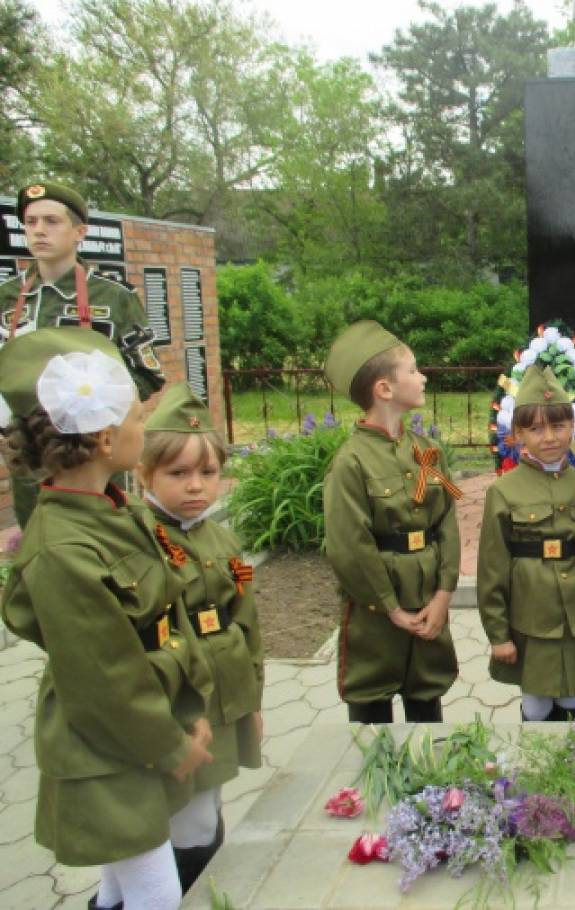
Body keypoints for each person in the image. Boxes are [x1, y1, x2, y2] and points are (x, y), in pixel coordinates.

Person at [0, 328, 213, 910]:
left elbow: (165, 620)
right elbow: (104, 677)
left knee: (121, 885)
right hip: (108, 746)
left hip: (135, 733)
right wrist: (170, 745)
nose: (144, 429)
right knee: (156, 892)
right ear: (101, 437)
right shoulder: (64, 548)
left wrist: (190, 707)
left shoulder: (111, 512)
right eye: (136, 420)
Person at [138, 383, 264, 892]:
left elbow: (246, 613)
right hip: (182, 703)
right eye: (178, 473)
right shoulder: (143, 540)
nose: (196, 486)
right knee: (189, 817)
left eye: (208, 473)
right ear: (144, 474)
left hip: (225, 691)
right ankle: (191, 891)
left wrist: (253, 695)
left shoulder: (224, 537)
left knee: (207, 803)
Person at [1, 180, 165, 527]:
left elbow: (148, 372)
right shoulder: (7, 297)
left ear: (80, 231)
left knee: (102, 532)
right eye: (30, 223)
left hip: (92, 450)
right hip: (31, 450)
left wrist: (99, 406)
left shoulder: (113, 296)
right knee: (39, 533)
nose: (39, 231)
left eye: (51, 221)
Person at [322, 321, 460, 724]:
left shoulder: (428, 452)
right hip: (377, 611)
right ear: (384, 389)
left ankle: (432, 785)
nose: (423, 377)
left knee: (426, 700)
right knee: (371, 711)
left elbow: (447, 521)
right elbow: (350, 547)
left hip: (427, 594)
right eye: (413, 370)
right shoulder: (351, 462)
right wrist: (390, 608)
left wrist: (444, 593)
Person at [477, 366, 575, 721]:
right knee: (536, 701)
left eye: (558, 426)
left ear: (572, 428)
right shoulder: (503, 491)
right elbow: (492, 571)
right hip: (530, 616)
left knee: (572, 698)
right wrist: (498, 634)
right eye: (535, 429)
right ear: (517, 434)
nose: (549, 437)